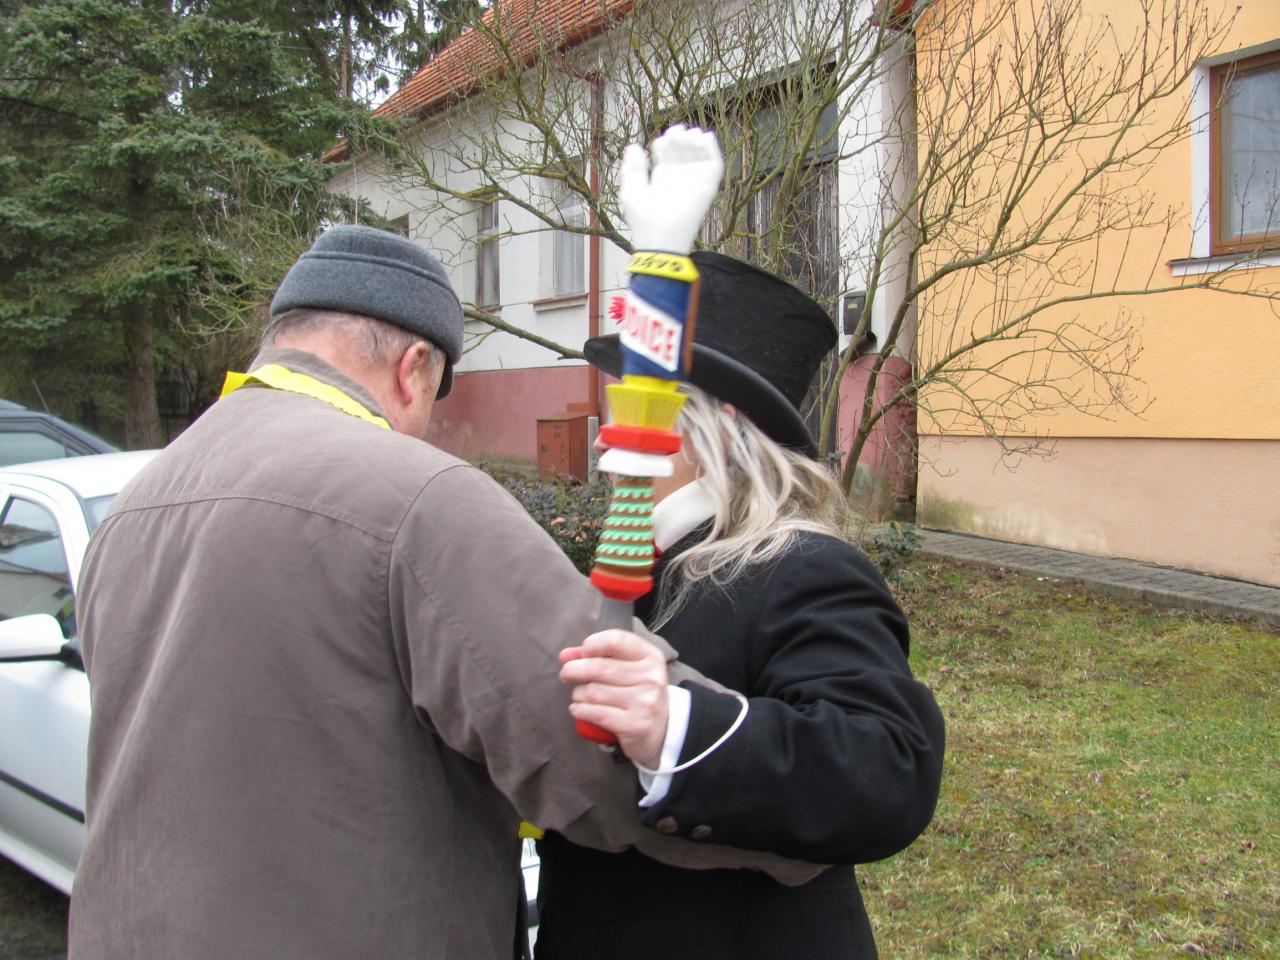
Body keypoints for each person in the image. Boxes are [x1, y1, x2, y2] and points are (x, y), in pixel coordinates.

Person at [68, 222, 825, 960]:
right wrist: (815, 819)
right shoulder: (414, 497)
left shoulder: (135, 503)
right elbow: (586, 753)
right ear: (415, 370)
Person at [538, 252, 947, 960]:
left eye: (632, 409)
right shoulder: (649, 563)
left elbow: (889, 767)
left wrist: (677, 728)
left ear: (716, 428)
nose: (604, 436)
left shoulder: (802, 567)